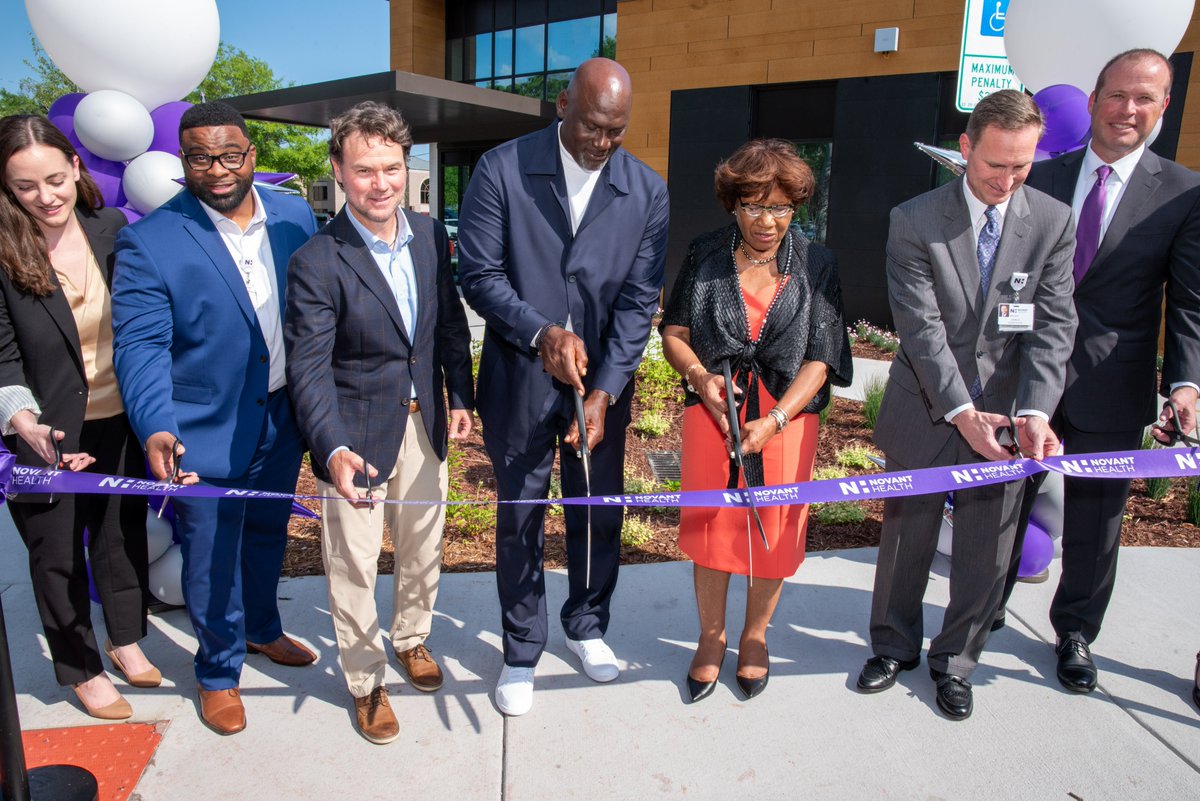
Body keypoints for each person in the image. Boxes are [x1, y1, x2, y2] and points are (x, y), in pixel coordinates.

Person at [855, 89, 1077, 720]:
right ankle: (893, 646)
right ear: (965, 148)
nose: (1006, 181)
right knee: (906, 539)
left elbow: (1053, 327)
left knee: (989, 549)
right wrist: (961, 410)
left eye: (1021, 167)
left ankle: (956, 662)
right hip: (929, 407)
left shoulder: (1054, 223)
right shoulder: (914, 219)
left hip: (1009, 418)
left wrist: (1034, 411)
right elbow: (921, 330)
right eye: (993, 166)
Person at [457, 57, 669, 716]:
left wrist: (605, 391)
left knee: (597, 509)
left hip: (600, 384)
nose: (603, 143)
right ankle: (521, 646)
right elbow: (480, 274)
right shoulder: (501, 169)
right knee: (519, 514)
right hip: (520, 378)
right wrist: (539, 332)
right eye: (592, 127)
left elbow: (638, 303)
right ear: (561, 105)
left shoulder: (647, 190)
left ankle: (587, 624)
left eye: (616, 131)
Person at [996, 49, 1200, 694]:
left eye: (1145, 98)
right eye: (1116, 96)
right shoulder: (1040, 178)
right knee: (998, 506)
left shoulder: (1185, 193)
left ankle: (1076, 633)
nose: (1128, 110)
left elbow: (1189, 301)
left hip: (1114, 384)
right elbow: (1003, 277)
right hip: (1022, 376)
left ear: (1164, 107)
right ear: (1092, 101)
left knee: (1097, 521)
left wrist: (1187, 383)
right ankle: (981, 609)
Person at [111, 101, 318, 735]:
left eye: (230, 155)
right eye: (201, 157)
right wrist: (157, 426)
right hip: (202, 426)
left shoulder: (295, 217)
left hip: (283, 416)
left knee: (266, 534)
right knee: (210, 553)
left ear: (252, 154)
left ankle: (261, 630)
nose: (218, 169)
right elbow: (140, 345)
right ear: (183, 162)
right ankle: (218, 673)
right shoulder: (151, 239)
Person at [284, 102, 475, 744]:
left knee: (423, 550)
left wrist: (461, 398)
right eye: (365, 170)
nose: (381, 183)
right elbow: (309, 369)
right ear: (338, 169)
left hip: (425, 425)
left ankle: (412, 638)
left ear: (407, 167)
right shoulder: (317, 260)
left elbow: (447, 325)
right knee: (354, 567)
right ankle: (366, 680)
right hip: (357, 439)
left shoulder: (428, 235)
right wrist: (331, 447)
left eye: (392, 168)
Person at [659, 139, 852, 703]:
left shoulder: (818, 263)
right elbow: (674, 333)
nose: (767, 221)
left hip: (787, 420)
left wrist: (777, 419)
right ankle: (711, 637)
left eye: (781, 207)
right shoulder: (705, 254)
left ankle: (755, 636)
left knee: (774, 535)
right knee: (712, 529)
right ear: (733, 205)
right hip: (714, 413)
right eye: (753, 206)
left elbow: (823, 357)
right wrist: (700, 378)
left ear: (797, 207)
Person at [0, 114, 159, 720]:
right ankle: (81, 668)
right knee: (57, 552)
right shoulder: (3, 248)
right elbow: (2, 357)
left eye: (53, 178)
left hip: (119, 416)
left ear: (74, 166)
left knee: (122, 536)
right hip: (43, 431)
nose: (46, 196)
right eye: (24, 186)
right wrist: (24, 424)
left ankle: (125, 641)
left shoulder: (110, 226)